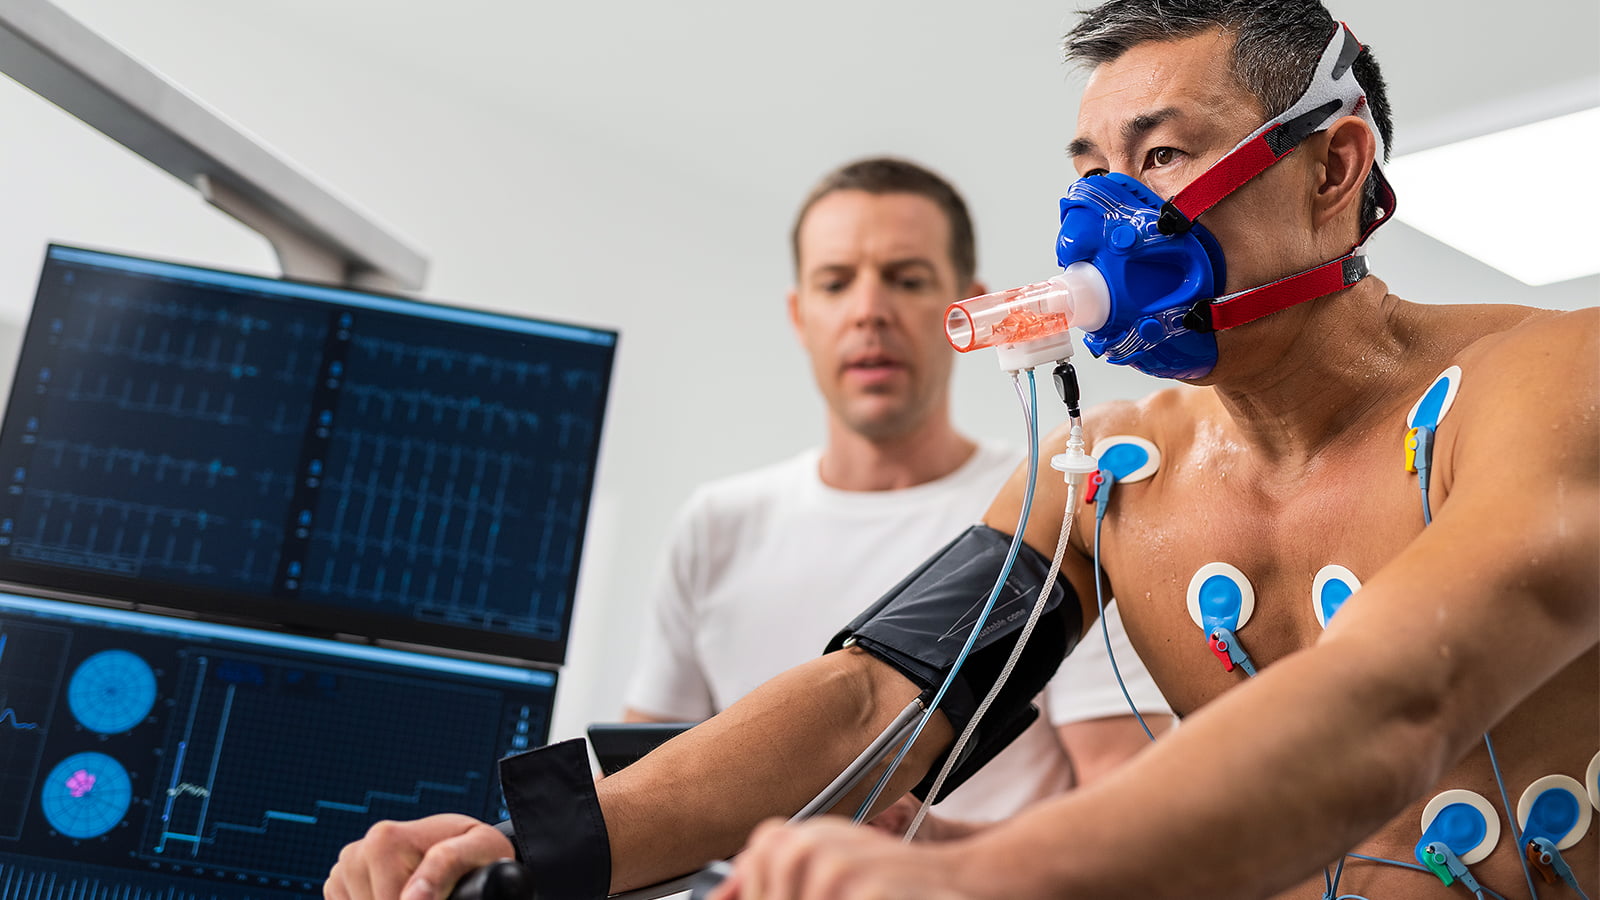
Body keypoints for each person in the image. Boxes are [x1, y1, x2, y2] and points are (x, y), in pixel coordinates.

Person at [326, 3, 1598, 899]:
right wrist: (543, 848)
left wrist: (989, 875)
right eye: (1089, 167)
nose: (1108, 212)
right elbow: (874, 700)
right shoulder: (1106, 478)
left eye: (1159, 155)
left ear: (1335, 168)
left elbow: (1396, 701)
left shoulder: (1546, 382)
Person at [620, 157, 1172, 830]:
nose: (869, 312)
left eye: (907, 280)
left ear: (968, 303)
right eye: (835, 282)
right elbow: (642, 782)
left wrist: (935, 853)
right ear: (799, 315)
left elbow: (1130, 810)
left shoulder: (1062, 512)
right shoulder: (715, 528)